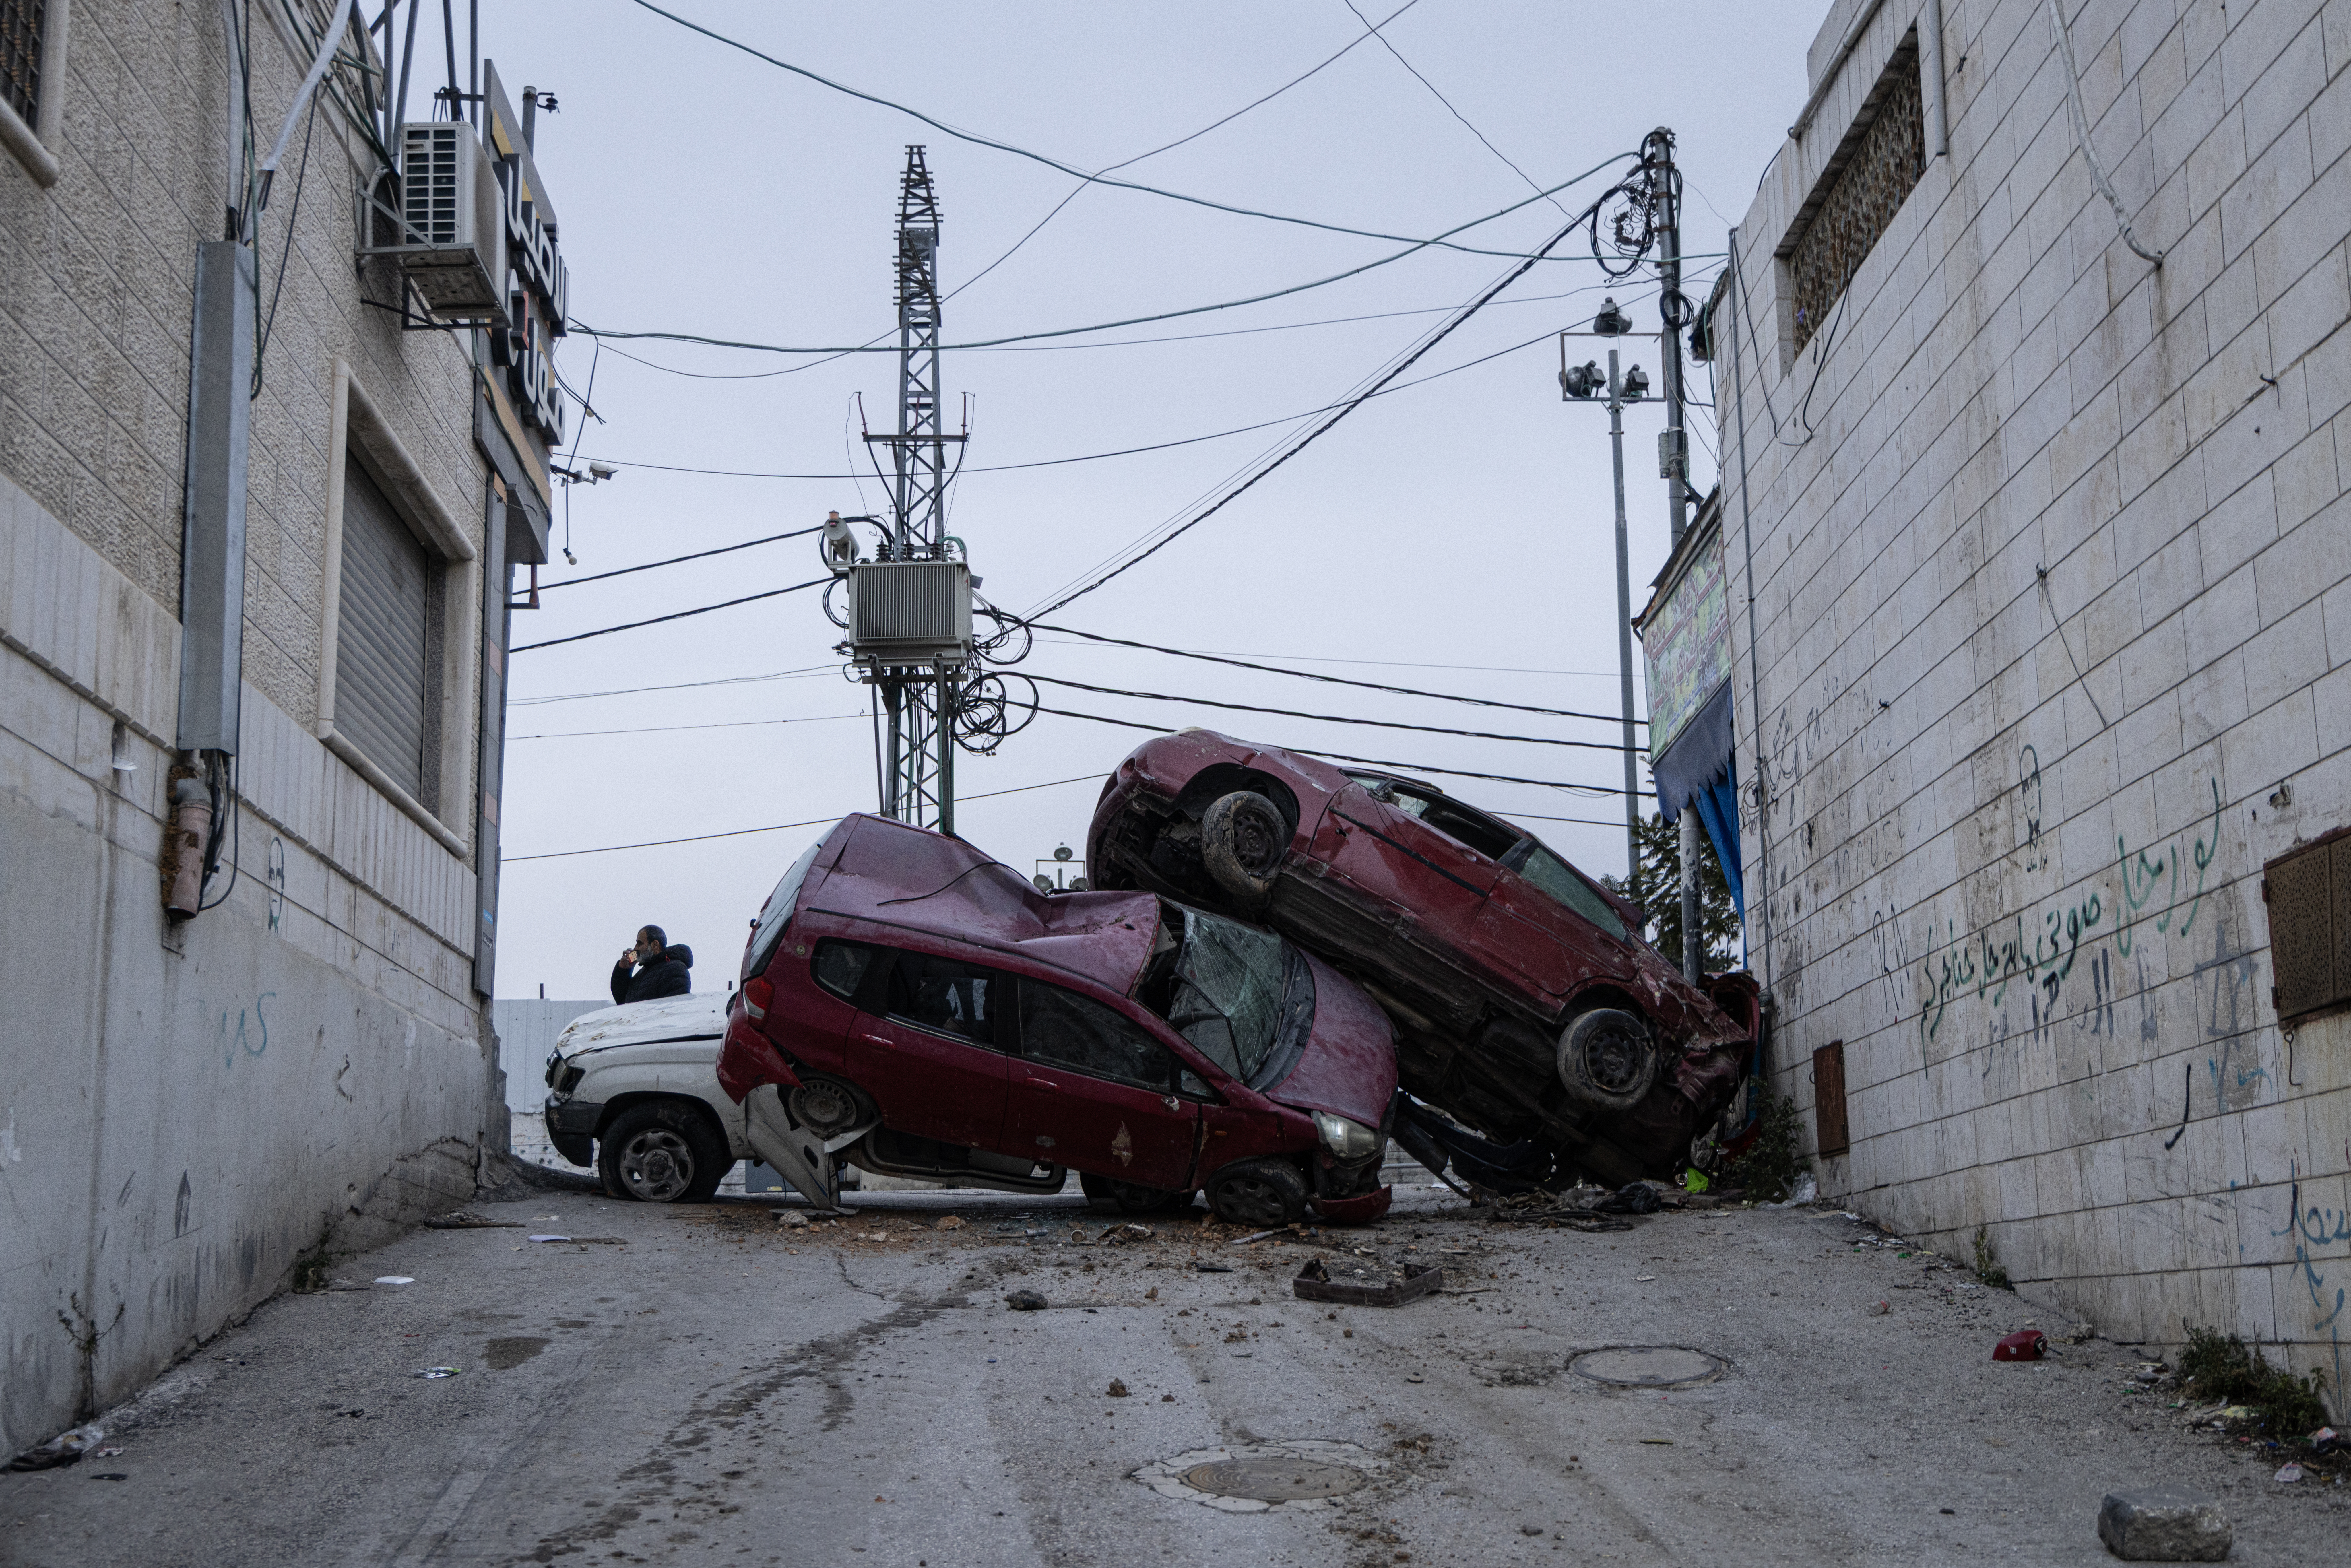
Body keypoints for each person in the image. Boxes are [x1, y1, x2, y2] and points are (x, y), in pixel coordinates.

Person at [611, 925, 693, 1004]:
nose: (635, 948)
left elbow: (674, 1010)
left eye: (640, 943)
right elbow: (622, 1001)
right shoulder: (643, 973)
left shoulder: (675, 969)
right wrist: (623, 971)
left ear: (655, 945)